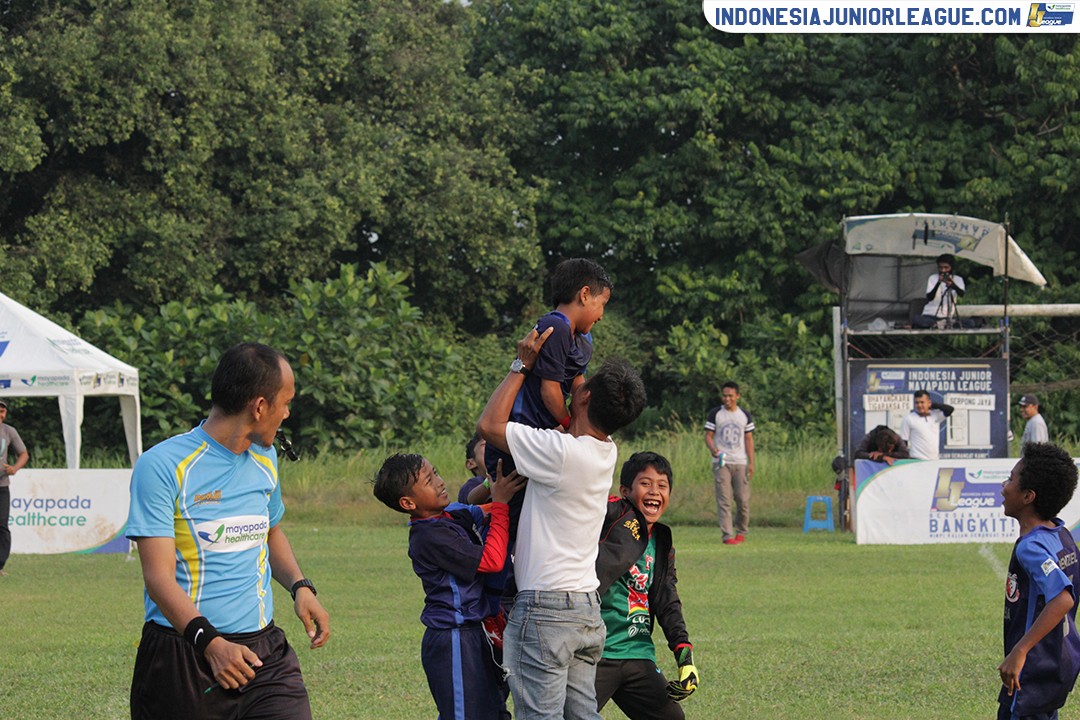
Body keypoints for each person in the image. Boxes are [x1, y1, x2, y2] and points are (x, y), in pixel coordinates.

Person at [126, 343, 330, 720]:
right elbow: (157, 577)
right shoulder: (162, 466)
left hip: (264, 652)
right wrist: (211, 643)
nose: (288, 413)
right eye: (286, 402)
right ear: (259, 406)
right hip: (185, 655)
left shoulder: (265, 456)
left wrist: (300, 586)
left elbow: (270, 531)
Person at [477, 327, 646, 720]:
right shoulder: (605, 451)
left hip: (546, 610)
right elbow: (580, 409)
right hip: (586, 610)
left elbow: (489, 426)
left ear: (584, 397)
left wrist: (521, 365)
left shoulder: (562, 453)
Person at [372, 453, 525, 720]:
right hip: (454, 639)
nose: (440, 482)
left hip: (477, 633)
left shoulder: (450, 514)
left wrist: (494, 486)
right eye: (429, 480)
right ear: (408, 502)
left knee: (493, 711)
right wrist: (500, 504)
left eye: (437, 473)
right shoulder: (429, 535)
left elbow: (482, 512)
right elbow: (490, 561)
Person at [484, 258, 612, 536]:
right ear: (584, 294)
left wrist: (589, 422)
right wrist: (569, 425)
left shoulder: (583, 338)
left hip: (544, 435)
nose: (601, 315)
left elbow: (578, 383)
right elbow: (550, 390)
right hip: (520, 431)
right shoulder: (556, 327)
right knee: (512, 517)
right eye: (601, 305)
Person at [594, 452, 698, 720]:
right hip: (596, 654)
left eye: (662, 486)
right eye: (646, 483)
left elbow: (667, 599)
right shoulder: (614, 515)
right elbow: (588, 504)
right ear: (625, 491)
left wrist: (684, 656)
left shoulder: (662, 541)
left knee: (673, 718)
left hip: (637, 654)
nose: (655, 492)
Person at [998, 442, 1080, 720]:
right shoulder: (1062, 536)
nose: (1003, 486)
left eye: (1010, 479)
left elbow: (1063, 597)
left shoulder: (1030, 548)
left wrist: (1020, 651)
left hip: (1031, 667)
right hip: (1057, 659)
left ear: (1027, 496)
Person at [703, 381, 755, 545]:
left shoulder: (744, 415)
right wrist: (713, 449)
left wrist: (751, 462)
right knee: (724, 499)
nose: (727, 399)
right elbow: (708, 436)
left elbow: (749, 439)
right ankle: (727, 535)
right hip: (721, 462)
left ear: (737, 396)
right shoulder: (716, 414)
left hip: (740, 462)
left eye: (730, 396)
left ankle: (741, 530)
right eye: (724, 395)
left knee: (742, 499)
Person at [0, 399, 28, 577]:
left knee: (2, 526)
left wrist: (15, 468)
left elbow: (23, 453)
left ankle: (0, 565)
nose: (0, 415)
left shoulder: (9, 431)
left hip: (2, 486)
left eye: (3, 412)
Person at [913, 253, 967, 329]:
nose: (943, 270)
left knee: (969, 323)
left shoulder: (958, 279)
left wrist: (953, 285)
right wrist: (938, 283)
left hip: (948, 317)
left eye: (946, 268)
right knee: (916, 319)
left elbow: (961, 294)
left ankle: (938, 325)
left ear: (951, 267)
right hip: (931, 315)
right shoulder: (933, 278)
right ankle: (937, 325)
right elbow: (930, 297)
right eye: (940, 268)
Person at [899, 390, 954, 460]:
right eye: (917, 403)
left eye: (922, 402)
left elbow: (950, 409)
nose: (919, 405)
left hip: (934, 460)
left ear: (929, 403)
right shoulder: (908, 419)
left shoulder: (935, 415)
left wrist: (933, 405)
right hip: (916, 460)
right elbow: (903, 442)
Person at [458, 431, 488, 503]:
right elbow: (471, 499)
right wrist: (491, 480)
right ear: (471, 463)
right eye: (486, 445)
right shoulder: (474, 483)